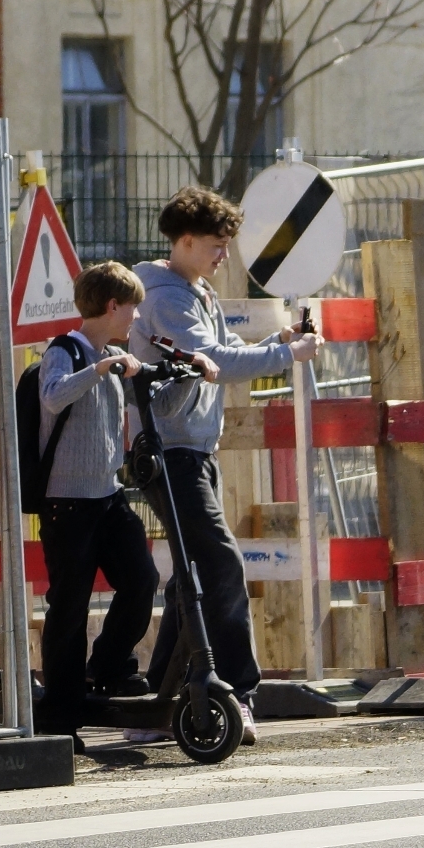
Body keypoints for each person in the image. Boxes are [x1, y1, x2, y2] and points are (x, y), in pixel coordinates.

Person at [131, 186, 322, 739]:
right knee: (221, 565)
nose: (224, 255)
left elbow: (223, 348)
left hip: (191, 450)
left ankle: (158, 704)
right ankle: (238, 690)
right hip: (171, 453)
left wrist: (277, 338)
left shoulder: (196, 291)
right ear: (186, 241)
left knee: (191, 577)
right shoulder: (167, 298)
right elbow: (214, 359)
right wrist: (286, 354)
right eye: (216, 245)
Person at [33, 263, 160, 742]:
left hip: (108, 495)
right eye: (132, 308)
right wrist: (98, 369)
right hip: (67, 504)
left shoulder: (113, 357)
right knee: (69, 606)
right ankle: (60, 716)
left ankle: (107, 666)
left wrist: (189, 370)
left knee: (141, 580)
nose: (136, 316)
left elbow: (148, 396)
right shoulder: (64, 351)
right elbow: (52, 397)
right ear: (112, 306)